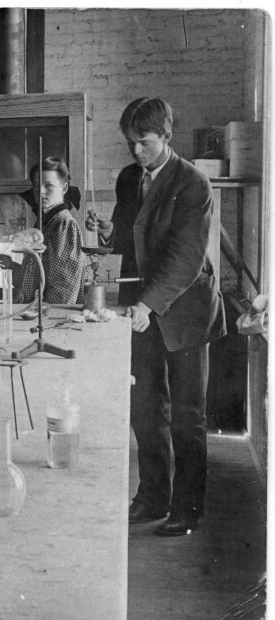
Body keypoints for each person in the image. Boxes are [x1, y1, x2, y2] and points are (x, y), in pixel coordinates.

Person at [88, 97, 225, 537]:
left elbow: (185, 259)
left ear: (166, 136)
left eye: (144, 143)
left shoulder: (192, 184)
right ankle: (151, 499)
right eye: (130, 143)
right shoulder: (131, 179)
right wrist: (109, 235)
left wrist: (148, 305)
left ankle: (186, 509)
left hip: (182, 310)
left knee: (188, 415)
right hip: (141, 310)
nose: (136, 152)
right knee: (146, 409)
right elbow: (127, 236)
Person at [7, 157, 90, 304]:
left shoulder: (64, 224)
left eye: (48, 186)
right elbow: (36, 273)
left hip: (50, 316)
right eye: (37, 185)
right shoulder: (46, 223)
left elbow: (64, 285)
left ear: (64, 188)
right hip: (34, 312)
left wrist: (47, 316)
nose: (41, 191)